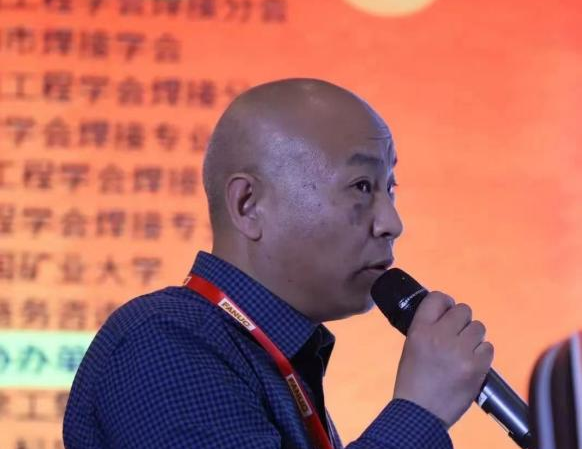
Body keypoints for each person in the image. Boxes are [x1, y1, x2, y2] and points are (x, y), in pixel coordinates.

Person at [63, 78, 494, 449]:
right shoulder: (162, 341)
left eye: (390, 189)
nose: (392, 223)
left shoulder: (276, 359)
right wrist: (420, 410)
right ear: (248, 205)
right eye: (362, 186)